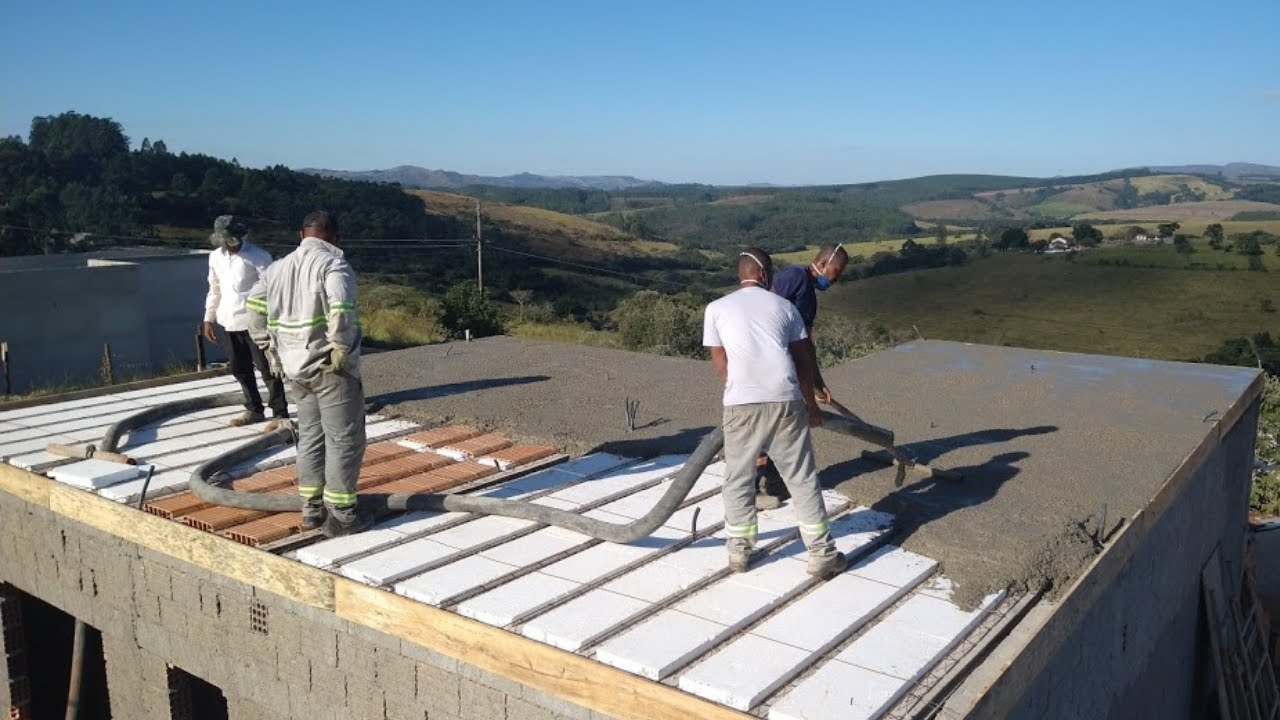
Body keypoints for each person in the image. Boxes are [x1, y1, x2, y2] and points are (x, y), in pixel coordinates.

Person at [702, 248, 846, 579]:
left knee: (737, 477)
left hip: (741, 402)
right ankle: (822, 554)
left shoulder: (716, 309)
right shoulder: (785, 307)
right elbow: (802, 359)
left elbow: (721, 364)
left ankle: (739, 554)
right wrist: (810, 404)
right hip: (785, 399)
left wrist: (739, 392)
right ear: (767, 276)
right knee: (802, 478)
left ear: (742, 274)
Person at [246, 211, 368, 538]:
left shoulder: (277, 268)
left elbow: (253, 307)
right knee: (344, 440)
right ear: (336, 237)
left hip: (293, 368)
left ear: (302, 234)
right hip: (329, 366)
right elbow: (341, 306)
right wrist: (340, 345)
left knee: (311, 438)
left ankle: (312, 511)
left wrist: (267, 346)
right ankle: (341, 516)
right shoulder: (333, 265)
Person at [753, 243, 851, 509]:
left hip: (783, 367)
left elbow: (806, 343)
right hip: (767, 364)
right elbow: (766, 308)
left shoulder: (808, 294)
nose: (835, 278)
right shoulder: (795, 278)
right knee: (765, 426)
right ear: (822, 264)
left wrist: (817, 381)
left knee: (783, 427)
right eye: (836, 272)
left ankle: (774, 482)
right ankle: (752, 490)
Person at [203, 215, 288, 426]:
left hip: (255, 323)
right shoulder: (215, 257)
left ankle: (279, 412)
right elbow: (215, 288)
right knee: (239, 368)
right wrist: (209, 318)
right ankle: (253, 408)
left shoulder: (259, 257)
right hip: (227, 320)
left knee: (267, 368)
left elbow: (272, 291)